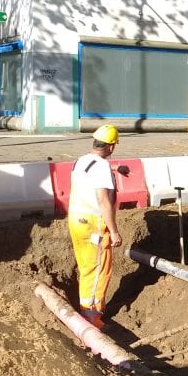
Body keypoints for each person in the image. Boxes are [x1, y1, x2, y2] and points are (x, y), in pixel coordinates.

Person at [68, 125, 123, 328]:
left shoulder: (81, 161)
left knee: (86, 267)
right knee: (99, 269)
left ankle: (84, 310)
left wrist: (116, 169)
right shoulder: (101, 167)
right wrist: (114, 231)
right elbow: (103, 200)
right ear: (111, 147)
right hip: (94, 225)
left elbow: (93, 170)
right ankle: (92, 317)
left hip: (76, 220)